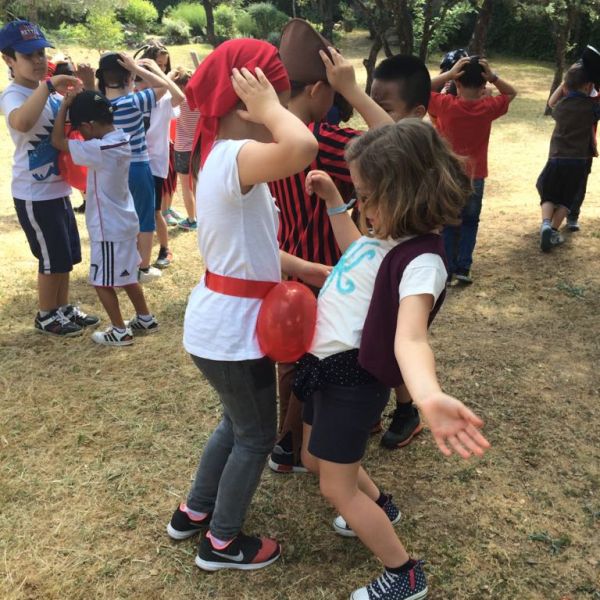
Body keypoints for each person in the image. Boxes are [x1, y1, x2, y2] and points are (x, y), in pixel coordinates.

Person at [298, 119, 490, 600]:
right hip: (323, 369)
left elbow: (411, 338)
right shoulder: (384, 237)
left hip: (351, 379)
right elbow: (353, 257)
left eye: (365, 196)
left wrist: (427, 395)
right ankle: (382, 504)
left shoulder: (422, 262)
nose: (360, 206)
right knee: (313, 458)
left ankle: (404, 574)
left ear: (403, 195)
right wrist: (334, 203)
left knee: (336, 487)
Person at [165, 39, 330, 572]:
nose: (281, 113)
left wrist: (302, 266)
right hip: (232, 333)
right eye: (274, 101)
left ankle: (195, 510)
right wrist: (270, 108)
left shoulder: (225, 159)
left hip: (223, 325)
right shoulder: (236, 154)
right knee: (256, 436)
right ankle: (221, 542)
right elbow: (303, 147)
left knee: (234, 424)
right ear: (248, 103)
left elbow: (247, 244)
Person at [268, 19, 393, 474]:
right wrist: (354, 91)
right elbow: (395, 144)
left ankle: (284, 443)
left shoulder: (265, 132)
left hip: (284, 263)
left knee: (290, 358)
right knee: (324, 362)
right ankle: (304, 445)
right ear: (320, 89)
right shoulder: (323, 138)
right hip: (330, 271)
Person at [0, 19, 99, 336]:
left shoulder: (53, 95)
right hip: (34, 193)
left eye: (41, 53)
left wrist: (85, 89)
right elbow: (22, 122)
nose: (38, 60)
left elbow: (83, 124)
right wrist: (48, 86)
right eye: (28, 55)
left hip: (58, 189)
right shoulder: (13, 94)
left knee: (65, 255)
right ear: (8, 59)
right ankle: (46, 315)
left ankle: (63, 307)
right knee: (50, 257)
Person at [51, 90, 159, 345]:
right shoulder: (120, 137)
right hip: (124, 222)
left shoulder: (99, 148)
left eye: (80, 129)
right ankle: (145, 318)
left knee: (101, 281)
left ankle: (120, 331)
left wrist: (63, 107)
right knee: (128, 276)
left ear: (89, 125)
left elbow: (57, 141)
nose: (80, 134)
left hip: (107, 228)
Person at [368, 54, 433, 449]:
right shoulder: (384, 147)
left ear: (417, 114)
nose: (373, 117)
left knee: (397, 338)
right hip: (380, 257)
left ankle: (407, 409)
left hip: (405, 267)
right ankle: (374, 405)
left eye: (384, 109)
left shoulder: (419, 152)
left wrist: (348, 91)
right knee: (376, 333)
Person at [429, 56, 517, 284]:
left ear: (457, 83)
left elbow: (421, 90)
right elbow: (511, 93)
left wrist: (449, 74)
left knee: (448, 222)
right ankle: (464, 267)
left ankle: (446, 269)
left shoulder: (445, 105)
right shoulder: (487, 107)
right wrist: (494, 77)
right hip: (475, 176)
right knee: (470, 222)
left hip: (448, 175)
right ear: (483, 85)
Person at [96, 51, 175, 283]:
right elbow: (163, 86)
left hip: (110, 168)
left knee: (119, 217)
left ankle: (119, 263)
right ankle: (142, 268)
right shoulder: (133, 101)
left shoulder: (98, 105)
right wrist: (137, 68)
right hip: (138, 166)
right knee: (144, 218)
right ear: (128, 78)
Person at [538, 61, 599, 249]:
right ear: (588, 86)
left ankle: (546, 224)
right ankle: (553, 231)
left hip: (556, 158)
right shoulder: (591, 108)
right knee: (567, 199)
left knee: (548, 194)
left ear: (566, 85)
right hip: (579, 161)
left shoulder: (561, 106)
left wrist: (565, 81)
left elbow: (551, 102)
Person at [133, 47, 184, 269]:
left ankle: (165, 248)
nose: (160, 69)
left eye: (164, 65)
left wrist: (161, 74)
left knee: (154, 211)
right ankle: (136, 254)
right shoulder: (132, 96)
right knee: (135, 211)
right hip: (133, 163)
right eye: (157, 64)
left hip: (154, 164)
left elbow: (180, 97)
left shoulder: (164, 99)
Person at [172, 67, 200, 231]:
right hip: (198, 148)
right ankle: (202, 217)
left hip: (182, 148)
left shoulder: (178, 103)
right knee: (197, 185)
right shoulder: (200, 101)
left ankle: (191, 219)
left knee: (186, 187)